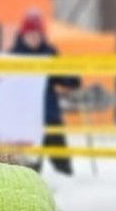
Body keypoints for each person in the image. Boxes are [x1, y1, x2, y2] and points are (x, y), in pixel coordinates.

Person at [12, 9, 80, 175]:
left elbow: (62, 76)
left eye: (37, 33)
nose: (34, 37)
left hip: (50, 117)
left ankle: (70, 190)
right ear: (23, 34)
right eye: (30, 33)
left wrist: (71, 79)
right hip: (26, 121)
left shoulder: (49, 53)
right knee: (29, 168)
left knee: (63, 166)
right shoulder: (14, 56)